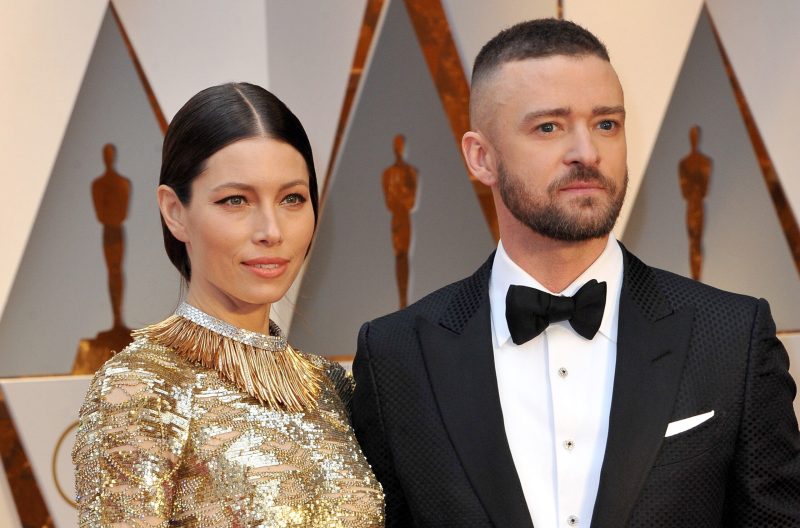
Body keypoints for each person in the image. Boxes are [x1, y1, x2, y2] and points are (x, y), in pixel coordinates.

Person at [351, 19, 800, 528]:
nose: (587, 153)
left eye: (606, 124)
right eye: (549, 127)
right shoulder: (397, 357)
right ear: (481, 158)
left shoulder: (732, 339)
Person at [73, 83, 384, 527]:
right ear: (174, 211)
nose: (271, 230)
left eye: (292, 198)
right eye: (235, 200)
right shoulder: (140, 389)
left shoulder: (330, 386)